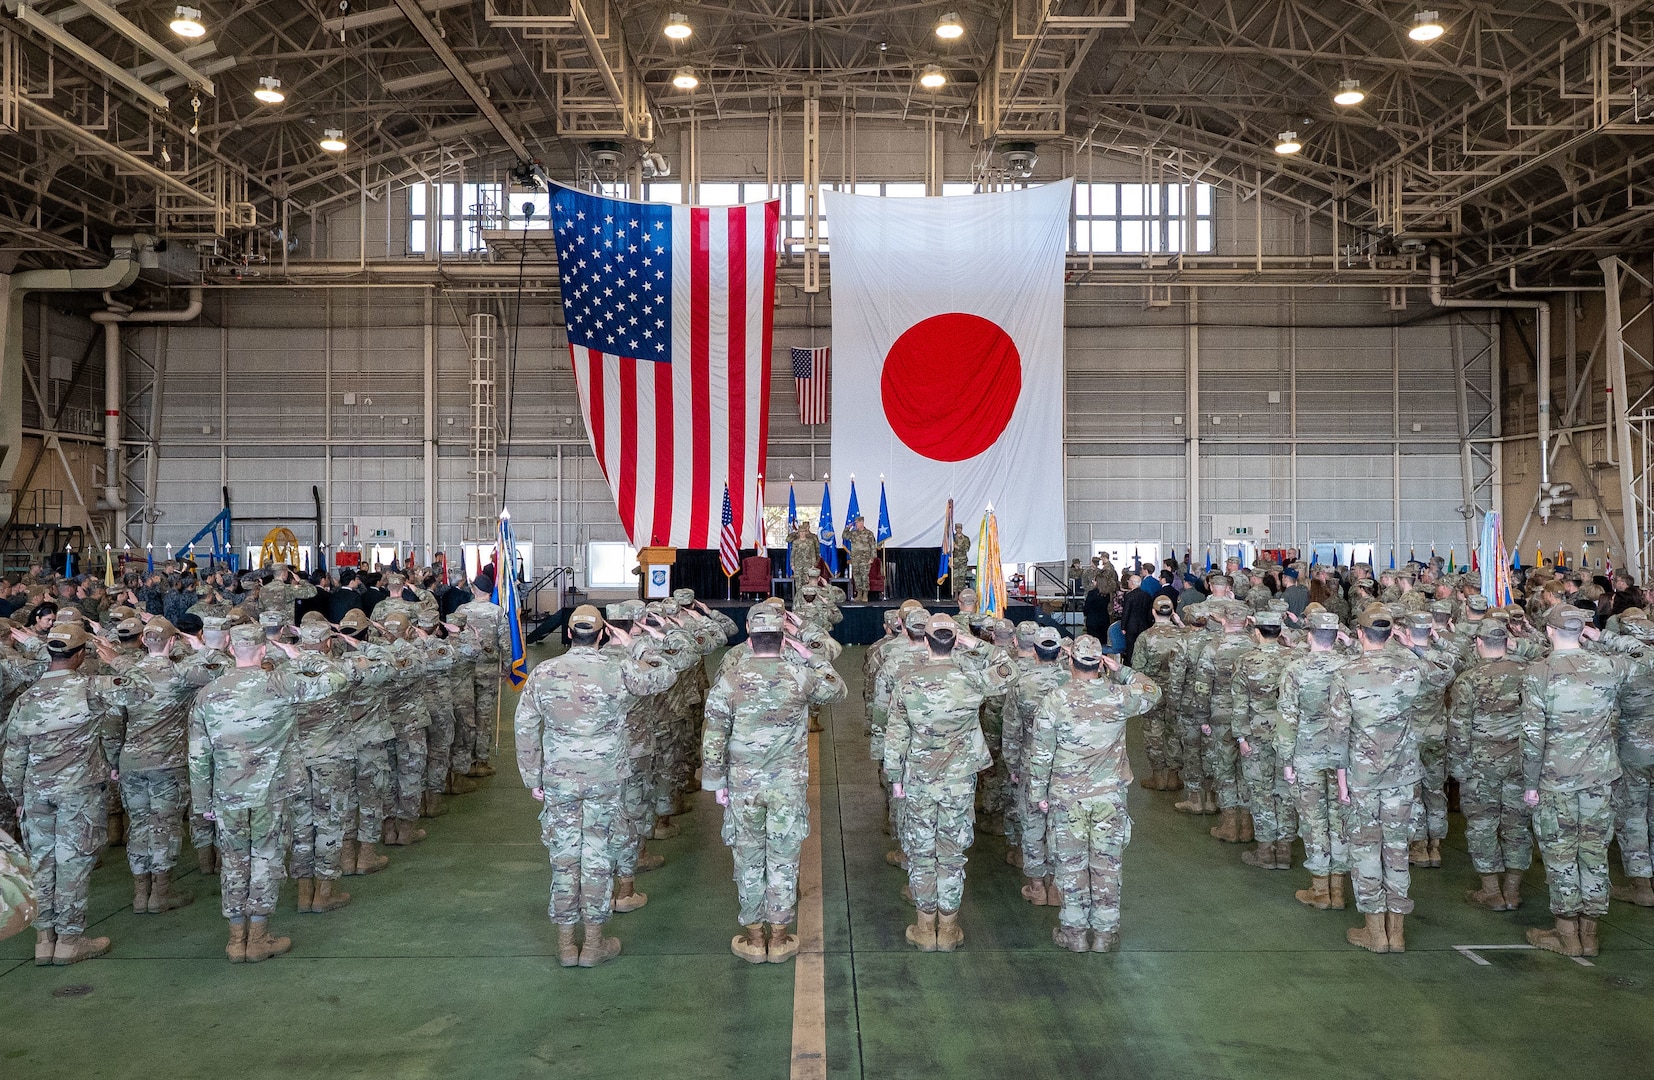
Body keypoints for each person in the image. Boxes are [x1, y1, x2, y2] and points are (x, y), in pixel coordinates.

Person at [512, 605, 678, 967]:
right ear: (602, 634)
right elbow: (666, 675)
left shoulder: (544, 673)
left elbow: (525, 728)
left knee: (565, 858)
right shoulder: (618, 670)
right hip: (604, 779)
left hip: (560, 780)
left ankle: (566, 945)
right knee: (598, 856)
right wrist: (639, 648)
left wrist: (532, 777)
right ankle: (594, 945)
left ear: (569, 634)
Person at [189, 623, 347, 963]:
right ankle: (259, 937)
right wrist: (301, 653)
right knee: (265, 858)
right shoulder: (280, 684)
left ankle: (235, 941)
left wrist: (203, 801)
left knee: (233, 862)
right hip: (271, 791)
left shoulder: (208, 693)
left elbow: (198, 754)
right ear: (264, 651)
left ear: (231, 648)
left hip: (226, 794)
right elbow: (337, 679)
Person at [702, 604, 846, 962]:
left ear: (749, 636)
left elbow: (714, 735)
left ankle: (754, 939)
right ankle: (780, 938)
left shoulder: (730, 678)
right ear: (783, 638)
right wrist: (807, 653)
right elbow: (837, 689)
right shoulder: (798, 674)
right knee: (783, 859)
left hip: (743, 785)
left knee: (748, 858)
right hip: (787, 786)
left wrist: (716, 781)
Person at [2, 624, 132, 965]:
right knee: (72, 865)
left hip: (35, 793)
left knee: (42, 865)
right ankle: (70, 941)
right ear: (80, 654)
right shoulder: (90, 688)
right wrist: (119, 661)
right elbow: (144, 689)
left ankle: (45, 941)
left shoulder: (27, 698)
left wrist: (19, 799)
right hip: (79, 792)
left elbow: (13, 757)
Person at [885, 614, 1014, 951]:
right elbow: (1008, 665)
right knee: (952, 854)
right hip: (958, 781)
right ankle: (950, 927)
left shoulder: (908, 684)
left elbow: (895, 739)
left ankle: (925, 928)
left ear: (926, 642)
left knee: (921, 853)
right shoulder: (971, 681)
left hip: (919, 780)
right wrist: (970, 642)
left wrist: (896, 780)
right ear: (953, 642)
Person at [1027, 633, 1160, 952]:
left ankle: (1074, 935)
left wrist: (1038, 794)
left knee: (1070, 865)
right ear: (1100, 663)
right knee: (1106, 864)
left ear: (1070, 661)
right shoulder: (1119, 695)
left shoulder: (1055, 699)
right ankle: (1103, 934)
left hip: (1067, 797)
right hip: (1109, 798)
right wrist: (1123, 671)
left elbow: (1041, 752)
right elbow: (1152, 691)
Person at [1518, 605, 1629, 957]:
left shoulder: (1539, 672)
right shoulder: (1607, 665)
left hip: (1555, 779)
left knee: (1561, 854)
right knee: (1594, 853)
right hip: (1599, 778)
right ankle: (1590, 936)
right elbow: (1647, 654)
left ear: (1550, 632)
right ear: (1581, 630)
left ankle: (1567, 935)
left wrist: (1530, 784)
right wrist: (1601, 637)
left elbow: (1532, 735)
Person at [1327, 605, 1426, 954]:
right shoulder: (1411, 668)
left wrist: (1341, 783)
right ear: (1390, 634)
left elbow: (1338, 734)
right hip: (1402, 775)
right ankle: (1396, 932)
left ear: (1359, 634)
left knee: (1366, 849)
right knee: (1397, 851)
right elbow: (1442, 670)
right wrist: (1406, 644)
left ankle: (1375, 932)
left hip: (1362, 775)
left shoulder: (1347, 673)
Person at [1447, 620, 1532, 912]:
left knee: (1483, 826)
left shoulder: (1469, 679)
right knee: (1518, 826)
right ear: (1507, 642)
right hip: (1520, 763)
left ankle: (1491, 891)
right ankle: (1513, 890)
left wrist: (1459, 768)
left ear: (1479, 643)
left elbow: (1458, 728)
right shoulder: (1526, 674)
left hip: (1480, 766)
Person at [1278, 611, 1351, 910]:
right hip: (1342, 756)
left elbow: (1287, 718)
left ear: (1309, 636)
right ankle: (1339, 890)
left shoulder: (1295, 670)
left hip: (1306, 754)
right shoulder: (1349, 668)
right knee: (1340, 820)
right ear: (1335, 638)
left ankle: (1320, 891)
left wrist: (1286, 761)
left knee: (1313, 820)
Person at [1231, 610, 1298, 871]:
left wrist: (1241, 736)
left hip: (1256, 735)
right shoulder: (1294, 659)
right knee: (1285, 793)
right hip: (1288, 736)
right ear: (1280, 632)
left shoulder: (1246, 661)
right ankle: (1284, 851)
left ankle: (1265, 852)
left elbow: (1240, 703)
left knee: (1260, 793)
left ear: (1257, 632)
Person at [1130, 595, 1184, 790]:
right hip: (1178, 692)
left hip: (1153, 692)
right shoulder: (1182, 636)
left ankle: (1158, 777)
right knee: (1174, 732)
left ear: (1153, 612)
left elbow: (1137, 668)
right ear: (1172, 613)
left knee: (1154, 733)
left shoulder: (1145, 637)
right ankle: (1173, 776)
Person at [845, 515, 878, 603]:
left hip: (865, 558)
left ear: (862, 522)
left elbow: (873, 546)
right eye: (855, 523)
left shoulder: (869, 533)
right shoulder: (853, 533)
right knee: (856, 576)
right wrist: (847, 528)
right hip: (855, 558)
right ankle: (859, 594)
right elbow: (845, 536)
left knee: (864, 576)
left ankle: (865, 594)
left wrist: (872, 558)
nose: (856, 524)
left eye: (858, 522)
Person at [950, 525, 972, 599]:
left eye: (960, 528)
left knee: (962, 577)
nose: (958, 530)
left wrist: (957, 547)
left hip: (962, 561)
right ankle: (955, 593)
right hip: (955, 561)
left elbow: (966, 548)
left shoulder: (965, 538)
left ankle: (961, 593)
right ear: (955, 529)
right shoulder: (952, 538)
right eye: (957, 528)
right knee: (955, 577)